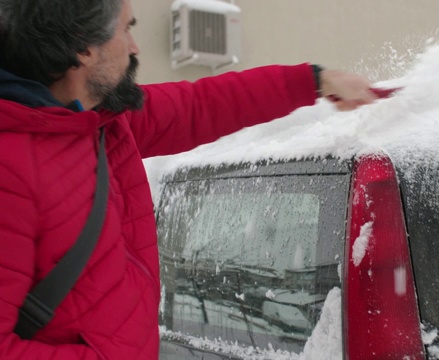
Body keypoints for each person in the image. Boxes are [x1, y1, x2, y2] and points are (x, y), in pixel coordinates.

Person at [0, 0, 379, 358]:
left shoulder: (102, 123)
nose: (134, 47)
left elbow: (201, 105)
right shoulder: (11, 170)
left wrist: (315, 80)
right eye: (126, 30)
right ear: (84, 49)